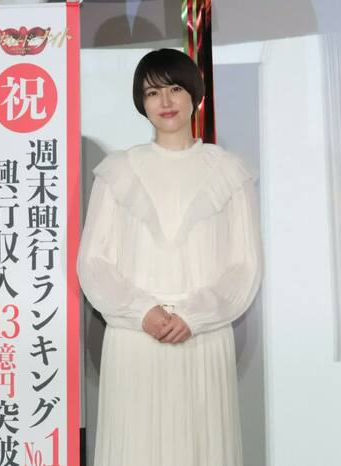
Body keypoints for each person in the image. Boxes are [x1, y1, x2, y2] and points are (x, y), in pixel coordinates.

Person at [77, 48, 262, 466]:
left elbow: (245, 264)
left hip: (203, 336)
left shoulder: (229, 171)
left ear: (194, 94)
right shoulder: (117, 170)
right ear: (141, 103)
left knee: (201, 445)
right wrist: (142, 310)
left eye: (175, 88)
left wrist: (195, 315)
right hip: (135, 337)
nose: (165, 101)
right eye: (152, 92)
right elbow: (94, 261)